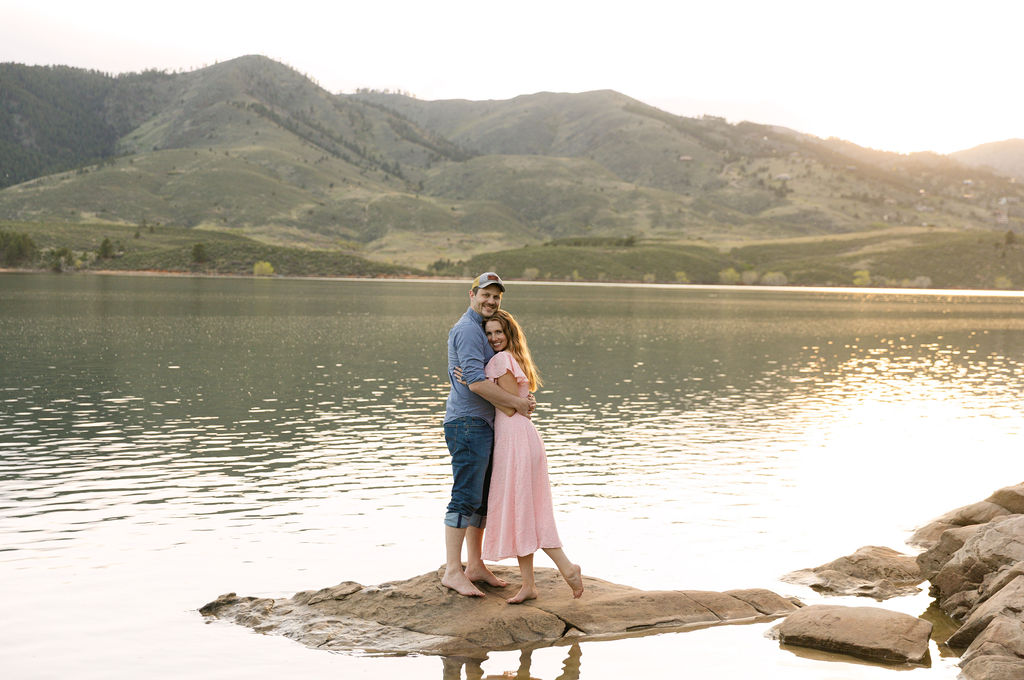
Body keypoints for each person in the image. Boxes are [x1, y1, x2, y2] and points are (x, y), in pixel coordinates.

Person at [481, 309, 584, 603]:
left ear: (509, 333)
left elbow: (510, 407)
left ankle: (567, 568)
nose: (493, 338)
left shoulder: (501, 360)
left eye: (498, 332)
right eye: (489, 333)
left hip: (517, 440)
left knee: (524, 510)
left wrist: (474, 386)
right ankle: (529, 586)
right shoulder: (510, 358)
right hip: (518, 439)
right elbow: (519, 402)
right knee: (522, 510)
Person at [442, 272, 534, 597]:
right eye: (486, 295)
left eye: (496, 297)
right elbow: (477, 382)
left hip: (484, 423)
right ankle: (453, 571)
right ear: (472, 294)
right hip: (468, 423)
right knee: (465, 496)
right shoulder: (468, 330)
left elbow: (483, 376)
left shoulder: (481, 329)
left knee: (480, 498)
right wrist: (519, 405)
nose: (491, 301)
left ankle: (475, 565)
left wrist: (518, 398)